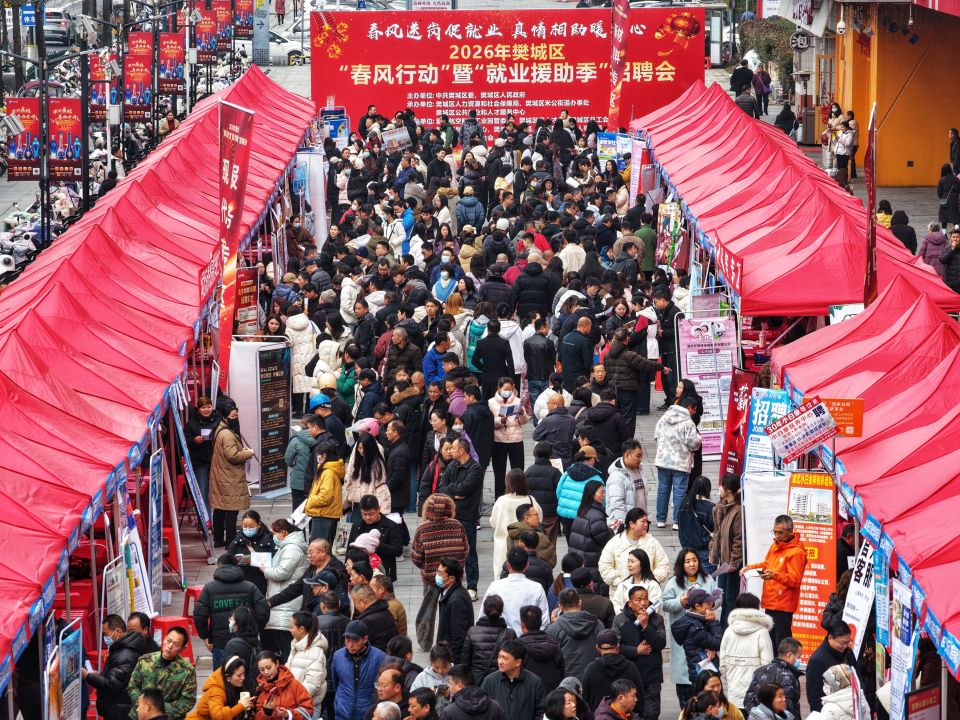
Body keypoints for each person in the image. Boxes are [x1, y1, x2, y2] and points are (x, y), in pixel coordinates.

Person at [739, 515, 807, 650]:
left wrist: (774, 575)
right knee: (770, 643)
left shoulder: (796, 552)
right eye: (775, 532)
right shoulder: (775, 546)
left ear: (790, 531)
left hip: (783, 604)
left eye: (780, 532)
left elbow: (795, 580)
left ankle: (783, 664)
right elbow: (766, 564)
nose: (777, 536)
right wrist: (750, 567)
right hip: (770, 601)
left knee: (782, 645)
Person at [411, 495, 470, 647]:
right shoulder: (457, 525)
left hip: (432, 578)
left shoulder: (422, 529)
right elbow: (465, 550)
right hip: (453, 578)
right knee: (453, 610)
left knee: (428, 610)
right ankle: (449, 641)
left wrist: (427, 566)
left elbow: (416, 557)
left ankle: (425, 642)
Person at [193, 554, 270, 669]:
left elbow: (199, 615)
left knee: (222, 676)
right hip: (247, 642)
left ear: (219, 566)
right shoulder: (250, 587)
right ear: (237, 565)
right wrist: (254, 629)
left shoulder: (209, 588)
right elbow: (263, 611)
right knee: (247, 675)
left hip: (220, 642)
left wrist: (205, 635)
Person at [663, 549, 718, 705]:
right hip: (684, 632)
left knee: (705, 676)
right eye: (687, 561)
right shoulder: (674, 582)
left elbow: (717, 598)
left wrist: (711, 603)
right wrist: (681, 601)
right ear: (681, 564)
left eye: (694, 560)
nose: (692, 564)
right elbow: (665, 603)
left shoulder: (707, 579)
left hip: (703, 630)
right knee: (684, 674)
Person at [435, 438, 485, 599]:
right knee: (450, 551)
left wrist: (452, 490)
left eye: (453, 448)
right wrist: (454, 493)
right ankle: (452, 584)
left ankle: (472, 587)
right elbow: (441, 487)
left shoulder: (475, 468)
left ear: (462, 450)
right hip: (450, 515)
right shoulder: (453, 465)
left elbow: (465, 488)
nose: (450, 451)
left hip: (467, 516)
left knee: (469, 552)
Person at [613, 585, 666, 720]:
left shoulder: (657, 619)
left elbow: (661, 643)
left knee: (651, 714)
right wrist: (635, 651)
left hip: (652, 675)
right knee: (631, 713)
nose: (643, 603)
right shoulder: (620, 620)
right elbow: (615, 647)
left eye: (646, 599)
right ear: (630, 603)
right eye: (638, 599)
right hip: (629, 675)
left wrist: (646, 626)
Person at [82, 614, 147, 720]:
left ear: (117, 632)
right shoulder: (121, 649)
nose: (105, 638)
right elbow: (114, 676)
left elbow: (111, 685)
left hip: (120, 711)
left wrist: (88, 677)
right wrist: (100, 675)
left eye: (106, 634)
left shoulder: (125, 655)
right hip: (118, 707)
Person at [262, 518, 310, 659]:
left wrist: (265, 569)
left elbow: (281, 573)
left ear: (283, 533)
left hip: (286, 604)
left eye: (274, 533)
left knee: (286, 646)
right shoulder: (287, 547)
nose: (273, 537)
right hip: (283, 603)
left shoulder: (291, 548)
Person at [603, 328, 665, 436]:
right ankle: (627, 441)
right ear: (626, 339)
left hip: (613, 389)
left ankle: (617, 439)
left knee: (615, 415)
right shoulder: (629, 355)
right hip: (628, 389)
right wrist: (662, 367)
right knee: (628, 416)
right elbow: (646, 364)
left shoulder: (607, 355)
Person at [127, 627, 198, 720]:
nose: (170, 646)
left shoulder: (187, 671)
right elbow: (133, 686)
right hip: (139, 716)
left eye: (176, 644)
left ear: (182, 648)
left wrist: (158, 711)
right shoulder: (145, 661)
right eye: (168, 641)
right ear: (164, 638)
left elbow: (188, 701)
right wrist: (144, 705)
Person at [210, 402, 256, 548]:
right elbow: (233, 456)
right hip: (229, 477)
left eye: (236, 415)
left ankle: (218, 539)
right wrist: (248, 453)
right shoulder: (228, 435)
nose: (236, 418)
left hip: (221, 475)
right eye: (233, 416)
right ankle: (230, 542)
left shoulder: (219, 429)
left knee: (220, 509)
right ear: (225, 417)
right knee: (231, 510)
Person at [719, 593, 774, 711]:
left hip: (733, 694)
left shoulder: (729, 631)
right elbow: (767, 667)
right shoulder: (762, 632)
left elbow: (722, 665)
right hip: (755, 698)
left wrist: (728, 688)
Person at [654, 395, 701, 530]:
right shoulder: (688, 422)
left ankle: (661, 519)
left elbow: (656, 435)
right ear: (689, 408)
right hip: (680, 462)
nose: (694, 413)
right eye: (694, 410)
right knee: (679, 491)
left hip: (663, 459)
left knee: (663, 489)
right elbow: (693, 443)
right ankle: (677, 521)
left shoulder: (664, 417)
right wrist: (699, 438)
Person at [599, 506, 671, 593]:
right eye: (643, 521)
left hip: (648, 593)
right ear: (631, 524)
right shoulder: (615, 542)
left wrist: (649, 582)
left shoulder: (652, 542)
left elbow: (663, 565)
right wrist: (621, 584)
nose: (646, 525)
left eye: (647, 522)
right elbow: (604, 566)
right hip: (620, 593)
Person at [329, 621, 387, 720]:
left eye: (355, 641)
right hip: (342, 711)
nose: (350, 645)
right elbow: (335, 682)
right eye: (347, 640)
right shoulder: (338, 656)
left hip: (367, 712)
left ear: (365, 639)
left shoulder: (379, 657)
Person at [490, 470, 543, 576]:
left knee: (503, 576)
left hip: (504, 547)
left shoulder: (501, 501)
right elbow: (539, 519)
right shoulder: (530, 500)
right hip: (527, 546)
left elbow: (493, 522)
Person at [479, 640, 545, 720]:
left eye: (505, 658)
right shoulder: (489, 681)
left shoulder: (534, 682)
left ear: (518, 662)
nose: (500, 661)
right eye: (499, 657)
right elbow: (481, 710)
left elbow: (540, 712)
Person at [545, 588, 603, 679]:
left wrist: (553, 624)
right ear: (580, 602)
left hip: (566, 681)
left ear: (560, 606)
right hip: (594, 678)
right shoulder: (598, 624)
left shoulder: (553, 629)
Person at [710, 474, 743, 628]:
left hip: (732, 564)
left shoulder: (738, 511)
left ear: (728, 490)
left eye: (721, 485)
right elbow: (717, 532)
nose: (719, 488)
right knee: (723, 596)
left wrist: (734, 563)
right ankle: (722, 629)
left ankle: (728, 629)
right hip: (723, 562)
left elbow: (739, 540)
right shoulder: (722, 507)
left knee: (731, 598)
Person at [581, 629, 644, 710]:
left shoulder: (590, 670)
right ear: (618, 646)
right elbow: (640, 699)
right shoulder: (631, 668)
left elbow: (584, 702)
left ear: (597, 648)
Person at [671, 588, 724, 685]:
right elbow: (718, 643)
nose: (711, 605)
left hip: (705, 672)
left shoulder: (700, 620)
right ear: (697, 606)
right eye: (708, 603)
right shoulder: (695, 626)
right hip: (703, 676)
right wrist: (713, 622)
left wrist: (711, 647)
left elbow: (711, 642)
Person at [567, 481, 613, 593]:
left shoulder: (583, 510)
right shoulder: (596, 515)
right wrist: (613, 531)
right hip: (592, 561)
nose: (604, 495)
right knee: (594, 591)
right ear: (592, 494)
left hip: (582, 559)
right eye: (601, 492)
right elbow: (604, 539)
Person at [742, 638, 804, 720]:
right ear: (790, 655)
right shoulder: (789, 677)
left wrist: (758, 716)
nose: (800, 659)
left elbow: (748, 700)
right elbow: (788, 708)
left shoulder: (759, 671)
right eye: (799, 656)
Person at [348, 494, 404, 581]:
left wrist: (378, 545)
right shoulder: (357, 526)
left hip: (383, 573)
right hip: (359, 574)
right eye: (364, 514)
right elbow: (349, 550)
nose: (367, 517)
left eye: (371, 514)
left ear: (378, 509)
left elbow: (398, 550)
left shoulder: (391, 526)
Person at [805, 622, 857, 713]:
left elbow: (857, 677)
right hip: (830, 711)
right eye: (842, 643)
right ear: (830, 638)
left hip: (850, 706)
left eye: (847, 642)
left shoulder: (848, 652)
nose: (845, 646)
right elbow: (814, 696)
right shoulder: (817, 660)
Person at [184, 655, 253, 720]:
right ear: (227, 676)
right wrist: (240, 706)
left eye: (243, 674)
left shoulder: (231, 683)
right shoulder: (216, 691)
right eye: (239, 675)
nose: (243, 678)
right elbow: (218, 716)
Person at [555, 449, 603, 540]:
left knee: (571, 543)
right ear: (592, 459)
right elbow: (602, 498)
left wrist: (564, 504)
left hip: (566, 514)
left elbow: (558, 491)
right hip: (585, 515)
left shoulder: (567, 473)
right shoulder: (596, 477)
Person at [251, 650, 314, 720]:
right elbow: (255, 716)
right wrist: (266, 712)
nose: (266, 672)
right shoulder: (260, 689)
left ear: (277, 663)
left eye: (269, 667)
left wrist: (289, 713)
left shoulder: (294, 684)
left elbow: (308, 709)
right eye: (262, 670)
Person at [306, 439, 347, 542]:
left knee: (319, 546)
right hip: (327, 514)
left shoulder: (328, 472)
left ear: (324, 455)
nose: (317, 457)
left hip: (323, 515)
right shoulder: (328, 469)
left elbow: (325, 497)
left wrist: (310, 500)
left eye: (318, 454)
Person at [184, 396, 220, 515]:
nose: (206, 410)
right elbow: (184, 441)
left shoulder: (219, 420)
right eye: (203, 407)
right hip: (200, 462)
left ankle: (220, 519)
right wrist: (194, 441)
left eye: (208, 407)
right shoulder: (191, 423)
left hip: (217, 460)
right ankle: (207, 518)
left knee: (219, 490)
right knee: (202, 490)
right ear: (198, 409)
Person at [226, 510, 276, 595]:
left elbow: (275, 559)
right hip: (242, 583)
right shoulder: (236, 542)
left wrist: (254, 559)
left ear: (258, 525)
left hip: (262, 582)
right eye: (245, 526)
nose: (248, 529)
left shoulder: (268, 540)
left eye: (251, 526)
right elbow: (228, 562)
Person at [517, 605, 565, 695]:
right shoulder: (554, 645)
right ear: (540, 622)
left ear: (522, 625)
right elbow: (561, 673)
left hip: (526, 697)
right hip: (551, 697)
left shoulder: (517, 647)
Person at [435, 558, 475, 662]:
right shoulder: (449, 592)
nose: (437, 576)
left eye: (440, 573)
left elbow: (458, 635)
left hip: (451, 658)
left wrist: (452, 661)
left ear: (451, 578)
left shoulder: (457, 600)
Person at [287, 611, 329, 708]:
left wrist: (292, 698)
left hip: (307, 705)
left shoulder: (316, 652)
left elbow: (312, 684)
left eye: (292, 627)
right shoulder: (296, 645)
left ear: (301, 629)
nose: (290, 630)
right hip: (293, 702)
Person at [525, 442, 562, 547]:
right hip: (551, 513)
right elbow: (560, 492)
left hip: (533, 513)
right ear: (550, 455)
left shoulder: (529, 471)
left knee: (534, 542)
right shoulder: (555, 472)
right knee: (550, 543)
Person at [605, 441, 648, 530]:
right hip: (628, 526)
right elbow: (617, 505)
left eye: (641, 456)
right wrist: (626, 525)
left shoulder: (639, 470)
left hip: (639, 523)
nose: (640, 459)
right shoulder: (617, 476)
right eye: (638, 456)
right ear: (627, 455)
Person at [677, 476, 715, 572]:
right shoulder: (710, 507)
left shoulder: (683, 503)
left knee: (690, 576)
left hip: (686, 546)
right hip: (704, 548)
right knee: (707, 578)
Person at [441, 665, 505, 720]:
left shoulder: (449, 712)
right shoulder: (495, 707)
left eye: (451, 683)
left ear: (459, 686)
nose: (449, 687)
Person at [222, 606, 263, 692]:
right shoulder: (256, 641)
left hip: (236, 689)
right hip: (252, 687)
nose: (230, 620)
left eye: (233, 618)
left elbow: (225, 669)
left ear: (239, 622)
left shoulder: (233, 645)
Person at [474, 321, 515, 402]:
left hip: (487, 376)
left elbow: (474, 360)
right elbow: (510, 363)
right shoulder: (504, 343)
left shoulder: (481, 343)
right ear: (499, 330)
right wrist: (510, 377)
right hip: (502, 377)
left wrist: (483, 368)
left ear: (488, 329)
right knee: (502, 401)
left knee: (487, 401)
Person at [532, 394, 577, 467]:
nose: (547, 405)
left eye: (549, 402)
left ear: (556, 405)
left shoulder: (548, 420)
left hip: (552, 459)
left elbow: (535, 436)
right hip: (568, 458)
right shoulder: (572, 419)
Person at [559, 317, 594, 394]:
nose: (590, 329)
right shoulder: (585, 341)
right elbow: (588, 364)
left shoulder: (565, 337)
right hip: (580, 381)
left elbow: (560, 357)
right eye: (590, 327)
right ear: (585, 326)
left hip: (566, 379)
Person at [941, 227, 960, 292]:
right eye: (953, 237)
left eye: (957, 237)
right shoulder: (947, 248)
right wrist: (951, 249)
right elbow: (942, 260)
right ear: (951, 238)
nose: (955, 239)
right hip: (951, 281)